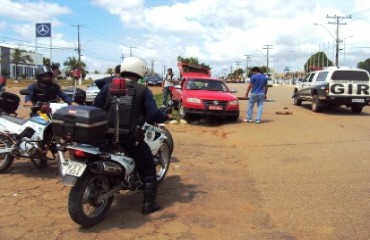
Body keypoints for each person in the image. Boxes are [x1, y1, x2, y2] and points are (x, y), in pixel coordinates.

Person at [94, 57, 172, 215]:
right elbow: (152, 116)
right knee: (148, 168)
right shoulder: (143, 90)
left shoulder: (107, 87)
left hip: (104, 136)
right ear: (140, 72)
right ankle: (148, 205)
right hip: (129, 138)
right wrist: (165, 117)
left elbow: (96, 107)